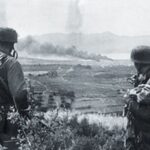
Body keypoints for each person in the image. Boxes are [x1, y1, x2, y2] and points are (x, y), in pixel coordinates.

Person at [0, 27, 29, 146]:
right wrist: (25, 114)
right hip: (5, 119)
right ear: (12, 44)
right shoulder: (11, 63)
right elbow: (19, 94)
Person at [125, 45, 150, 150]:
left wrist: (129, 101)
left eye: (137, 64)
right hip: (139, 135)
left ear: (139, 64)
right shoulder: (144, 78)